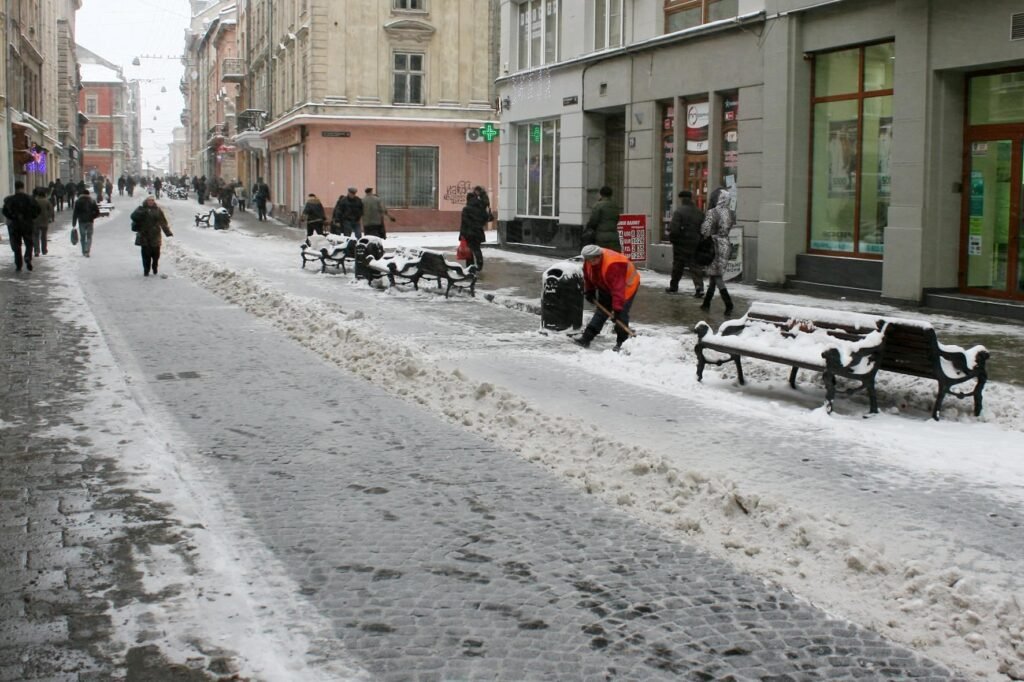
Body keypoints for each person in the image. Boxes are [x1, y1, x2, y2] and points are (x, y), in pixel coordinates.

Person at [575, 244, 640, 351]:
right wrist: (589, 291)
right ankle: (586, 338)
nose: (591, 262)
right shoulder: (588, 261)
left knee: (621, 316)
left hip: (626, 287)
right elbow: (588, 276)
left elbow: (618, 289)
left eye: (593, 260)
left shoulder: (613, 265)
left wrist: (617, 310)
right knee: (601, 311)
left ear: (599, 256)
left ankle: (622, 344)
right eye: (589, 260)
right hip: (605, 285)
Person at [699, 189, 735, 314]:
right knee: (714, 274)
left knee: (717, 275)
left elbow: (705, 230)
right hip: (725, 244)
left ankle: (728, 303)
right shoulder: (731, 213)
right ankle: (706, 303)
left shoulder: (712, 212)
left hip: (714, 246)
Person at [665, 190, 705, 297]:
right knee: (695, 267)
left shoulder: (679, 212)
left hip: (681, 244)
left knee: (678, 266)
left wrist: (673, 240)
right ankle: (699, 288)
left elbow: (674, 229)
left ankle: (674, 286)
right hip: (695, 243)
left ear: (682, 199)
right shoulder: (699, 212)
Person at [2, 181, 41, 272]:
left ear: (15, 188)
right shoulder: (30, 199)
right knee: (28, 243)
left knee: (17, 245)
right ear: (23, 187)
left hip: (15, 225)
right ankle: (27, 257)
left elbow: (4, 211)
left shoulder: (11, 200)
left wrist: (12, 217)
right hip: (27, 224)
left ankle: (18, 264)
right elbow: (38, 209)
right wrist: (31, 217)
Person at [130, 195, 173, 276]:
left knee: (156, 254)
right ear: (146, 201)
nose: (151, 202)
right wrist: (141, 212)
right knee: (145, 254)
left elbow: (163, 222)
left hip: (155, 235)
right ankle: (146, 269)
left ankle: (155, 266)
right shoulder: (141, 209)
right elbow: (133, 217)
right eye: (149, 200)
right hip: (144, 235)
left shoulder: (158, 210)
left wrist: (167, 232)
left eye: (152, 200)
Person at [583, 185, 622, 251]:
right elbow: (617, 219)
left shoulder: (598, 205)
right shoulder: (615, 206)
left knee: (602, 256)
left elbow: (593, 222)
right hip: (614, 237)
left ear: (601, 194)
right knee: (613, 256)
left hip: (601, 237)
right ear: (611, 194)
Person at [459, 191, 488, 272]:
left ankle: (470, 266)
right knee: (477, 249)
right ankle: (479, 263)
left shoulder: (466, 209)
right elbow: (486, 218)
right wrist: (479, 225)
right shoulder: (481, 208)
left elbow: (464, 222)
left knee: (469, 250)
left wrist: (462, 235)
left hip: (468, 233)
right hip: (478, 232)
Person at [71, 186, 100, 257]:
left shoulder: (78, 201)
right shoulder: (92, 201)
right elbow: (97, 212)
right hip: (90, 221)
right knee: (89, 236)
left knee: (83, 236)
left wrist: (74, 222)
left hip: (81, 221)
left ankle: (84, 251)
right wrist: (93, 217)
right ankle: (87, 250)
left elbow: (75, 213)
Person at [31, 187, 55, 257]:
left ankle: (36, 250)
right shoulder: (47, 201)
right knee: (44, 236)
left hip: (35, 221)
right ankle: (44, 250)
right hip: (44, 221)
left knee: (35, 236)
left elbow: (31, 210)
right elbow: (51, 211)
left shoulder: (34, 201)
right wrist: (49, 217)